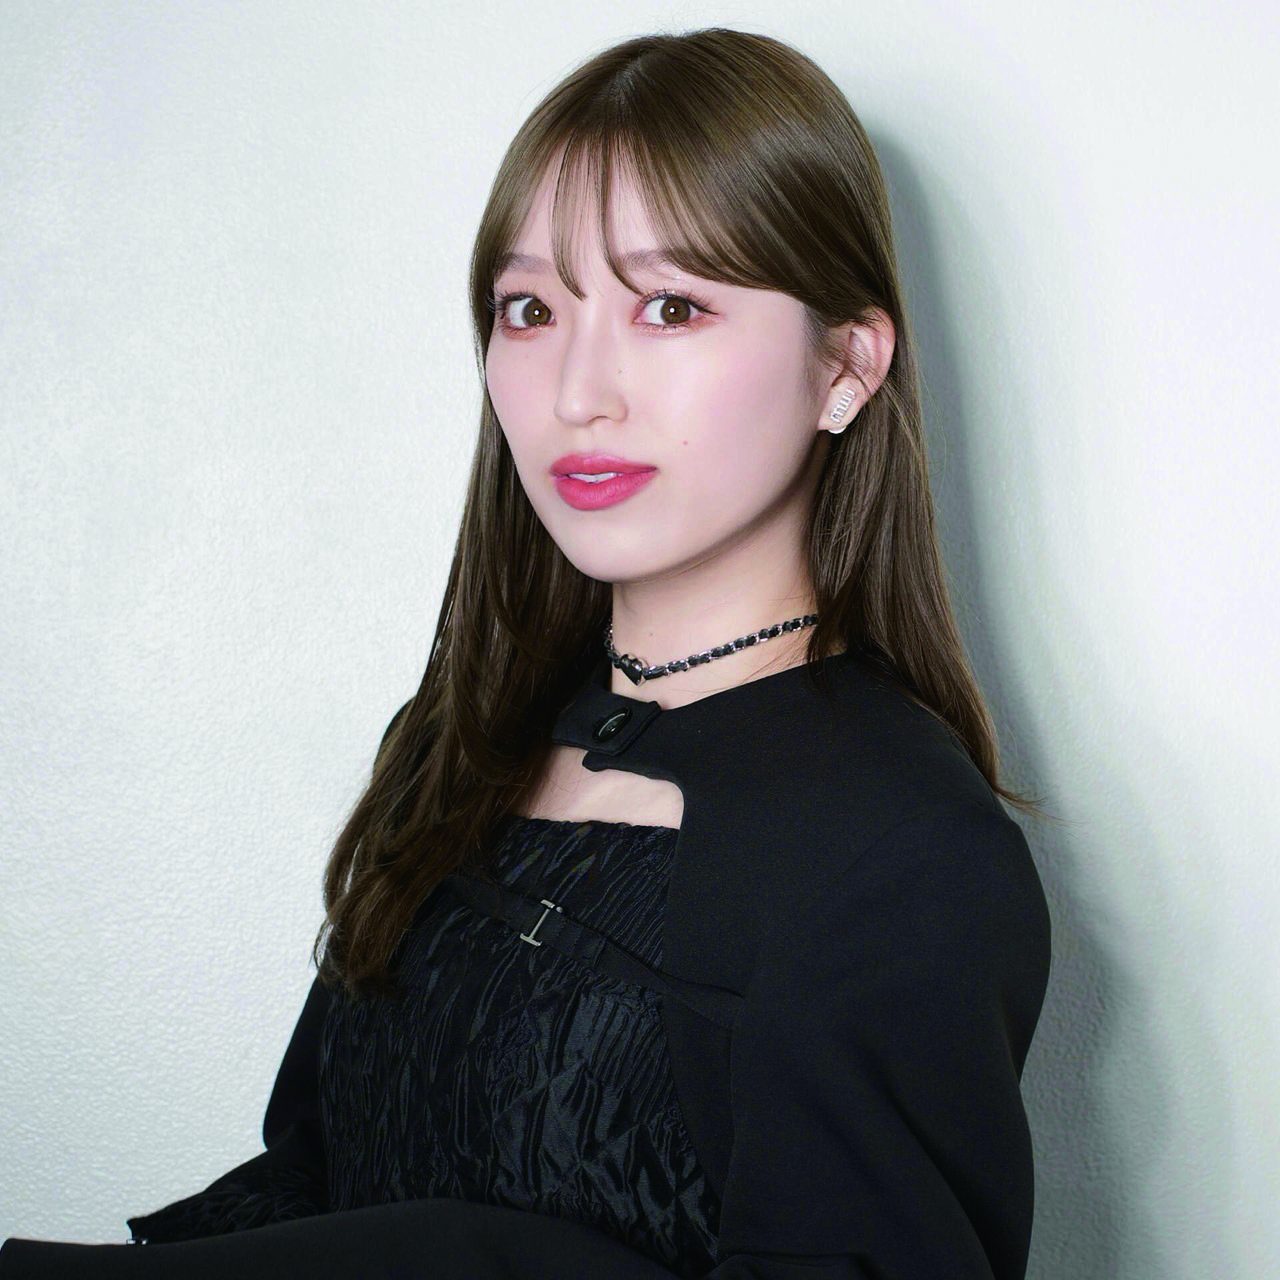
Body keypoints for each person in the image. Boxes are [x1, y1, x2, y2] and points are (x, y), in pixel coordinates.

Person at [0, 26, 1052, 1280]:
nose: (576, 391)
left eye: (670, 305)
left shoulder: (900, 849)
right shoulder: (462, 738)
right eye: (531, 309)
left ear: (845, 364)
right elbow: (313, 1189)